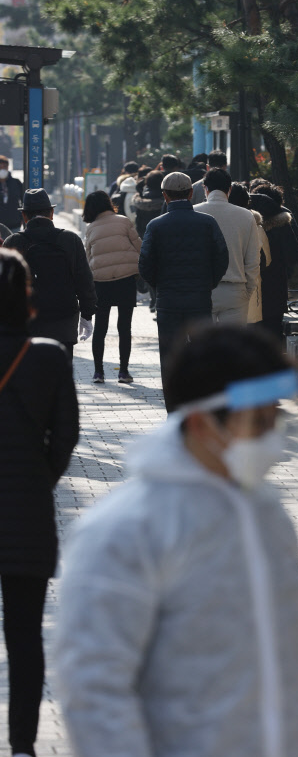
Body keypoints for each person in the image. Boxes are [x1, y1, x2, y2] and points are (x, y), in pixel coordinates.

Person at [54, 323, 298, 757]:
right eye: (257, 422)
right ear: (202, 424)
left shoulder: (264, 513)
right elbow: (94, 693)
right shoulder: (123, 532)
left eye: (274, 419)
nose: (271, 438)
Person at [0, 247, 79, 757]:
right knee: (25, 636)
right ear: (24, 296)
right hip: (26, 513)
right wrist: (37, 479)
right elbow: (66, 437)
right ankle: (24, 744)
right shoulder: (48, 355)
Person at [138, 172, 229, 402]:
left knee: (170, 356)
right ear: (190, 193)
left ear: (165, 196)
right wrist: (209, 282)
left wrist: (160, 286)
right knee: (202, 354)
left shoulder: (155, 226)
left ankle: (175, 407)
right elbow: (221, 258)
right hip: (199, 298)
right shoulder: (207, 223)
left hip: (168, 301)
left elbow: (145, 263)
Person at [4, 188, 96, 360]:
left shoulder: (14, 242)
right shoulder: (70, 240)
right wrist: (87, 314)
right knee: (61, 374)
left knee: (30, 376)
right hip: (64, 320)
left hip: (27, 322)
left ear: (24, 215)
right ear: (52, 213)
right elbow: (84, 279)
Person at [83, 190, 142, 385]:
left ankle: (98, 372)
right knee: (124, 327)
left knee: (101, 328)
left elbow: (88, 258)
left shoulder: (91, 229)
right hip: (125, 280)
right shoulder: (124, 221)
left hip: (101, 282)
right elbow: (139, 246)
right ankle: (123, 372)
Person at [194, 168, 260, 325]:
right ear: (229, 189)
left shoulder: (193, 213)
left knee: (201, 346)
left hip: (199, 290)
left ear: (205, 188)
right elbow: (253, 260)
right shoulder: (246, 216)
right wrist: (248, 290)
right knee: (232, 347)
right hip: (235, 289)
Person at [250, 192, 298, 341]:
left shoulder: (246, 226)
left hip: (250, 291)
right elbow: (294, 256)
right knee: (273, 333)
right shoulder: (282, 225)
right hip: (276, 289)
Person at [228, 182, 271, 324]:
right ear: (247, 202)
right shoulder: (255, 226)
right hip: (248, 291)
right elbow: (266, 260)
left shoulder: (213, 222)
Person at [133, 171, 164, 312]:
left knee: (150, 271)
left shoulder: (141, 198)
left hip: (145, 237)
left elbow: (138, 222)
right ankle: (158, 300)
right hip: (162, 239)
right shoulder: (165, 198)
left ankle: (153, 300)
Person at [0, 156, 23, 233]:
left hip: (14, 224)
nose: (2, 169)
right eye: (0, 167)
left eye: (4, 167)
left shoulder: (16, 183)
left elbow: (23, 201)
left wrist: (22, 218)